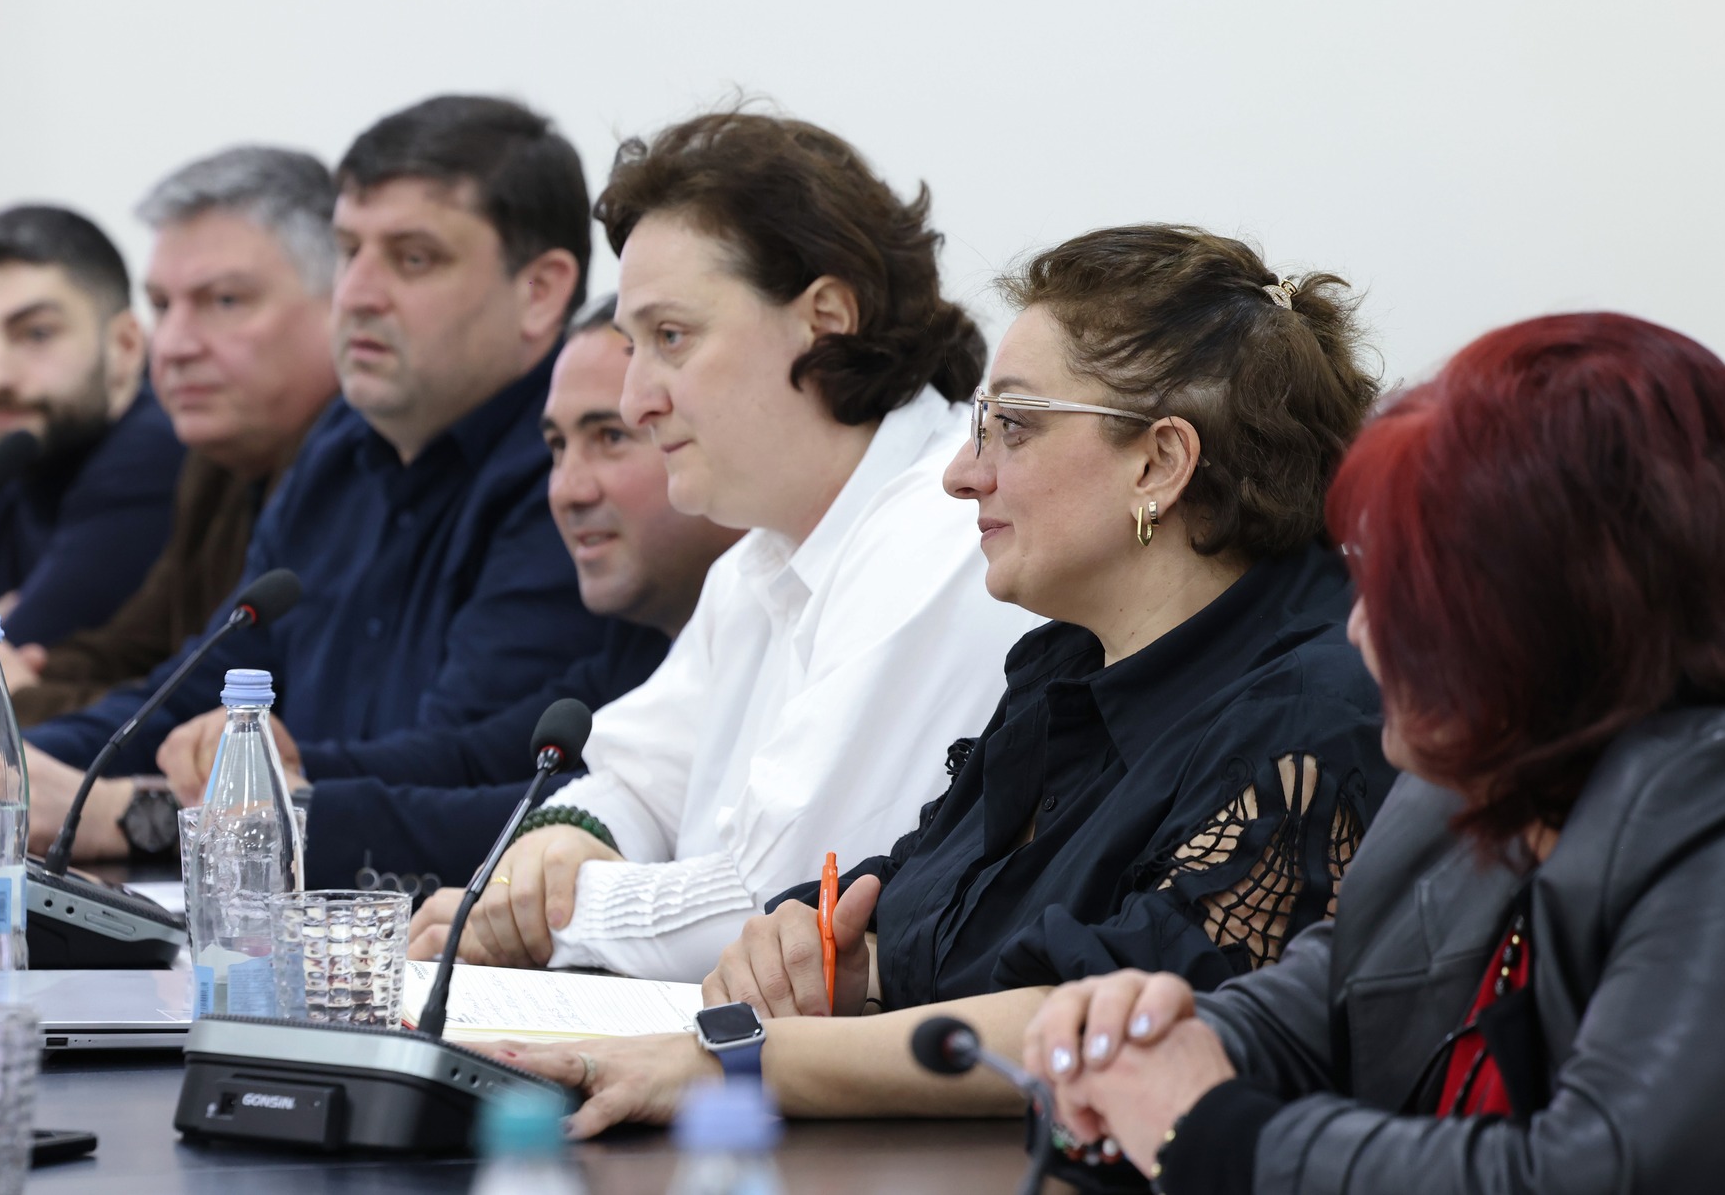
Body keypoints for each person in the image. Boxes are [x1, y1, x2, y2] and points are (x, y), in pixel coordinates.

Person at [475, 224, 1397, 1141]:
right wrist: (829, 954)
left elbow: (1120, 1024)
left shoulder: (1312, 714)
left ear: (1158, 463)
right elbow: (913, 909)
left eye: (1013, 427)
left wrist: (741, 1060)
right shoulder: (1063, 662)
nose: (963, 474)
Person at [1022, 312, 1725, 1194]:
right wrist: (1136, 1049)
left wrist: (1207, 1132)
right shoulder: (1480, 780)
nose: (1362, 630)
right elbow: (1309, 1018)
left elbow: (1595, 1176)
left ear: (1558, 608)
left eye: (1410, 591)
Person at [408, 110, 1038, 980]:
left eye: (671, 338)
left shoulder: (944, 531)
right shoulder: (760, 554)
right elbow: (633, 782)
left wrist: (542, 913)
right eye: (633, 348)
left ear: (825, 318)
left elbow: (784, 904)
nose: (636, 400)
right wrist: (563, 838)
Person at [10, 95, 612, 862]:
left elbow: (457, 769)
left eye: (413, 258)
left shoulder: (574, 480)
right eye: (348, 250)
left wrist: (139, 811)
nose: (355, 291)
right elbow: (202, 691)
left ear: (540, 290)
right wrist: (8, 756)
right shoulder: (338, 444)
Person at [152, 298, 744, 890]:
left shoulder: (765, 618)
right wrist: (288, 768)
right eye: (557, 448)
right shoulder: (640, 644)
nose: (567, 490)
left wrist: (296, 814)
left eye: (611, 437)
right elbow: (477, 758)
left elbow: (567, 810)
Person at [0, 147, 342, 817]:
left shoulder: (166, 451)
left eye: (224, 300)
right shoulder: (213, 462)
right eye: (163, 305)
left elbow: (200, 703)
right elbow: (144, 662)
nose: (175, 343)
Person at [0, 206, 183, 696]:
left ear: (127, 345)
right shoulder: (6, 464)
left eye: (36, 334)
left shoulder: (155, 452)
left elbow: (20, 660)